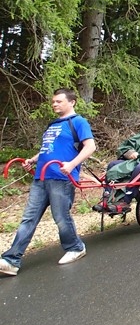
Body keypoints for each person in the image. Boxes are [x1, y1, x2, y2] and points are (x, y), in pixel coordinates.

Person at [0, 88, 96, 276]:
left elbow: (90, 146)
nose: (54, 104)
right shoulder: (52, 125)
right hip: (41, 178)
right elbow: (48, 148)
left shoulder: (78, 122)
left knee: (60, 218)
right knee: (29, 218)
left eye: (59, 101)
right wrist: (33, 160)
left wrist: (72, 164)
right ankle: (12, 260)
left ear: (72, 102)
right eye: (53, 102)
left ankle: (76, 247)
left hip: (62, 178)